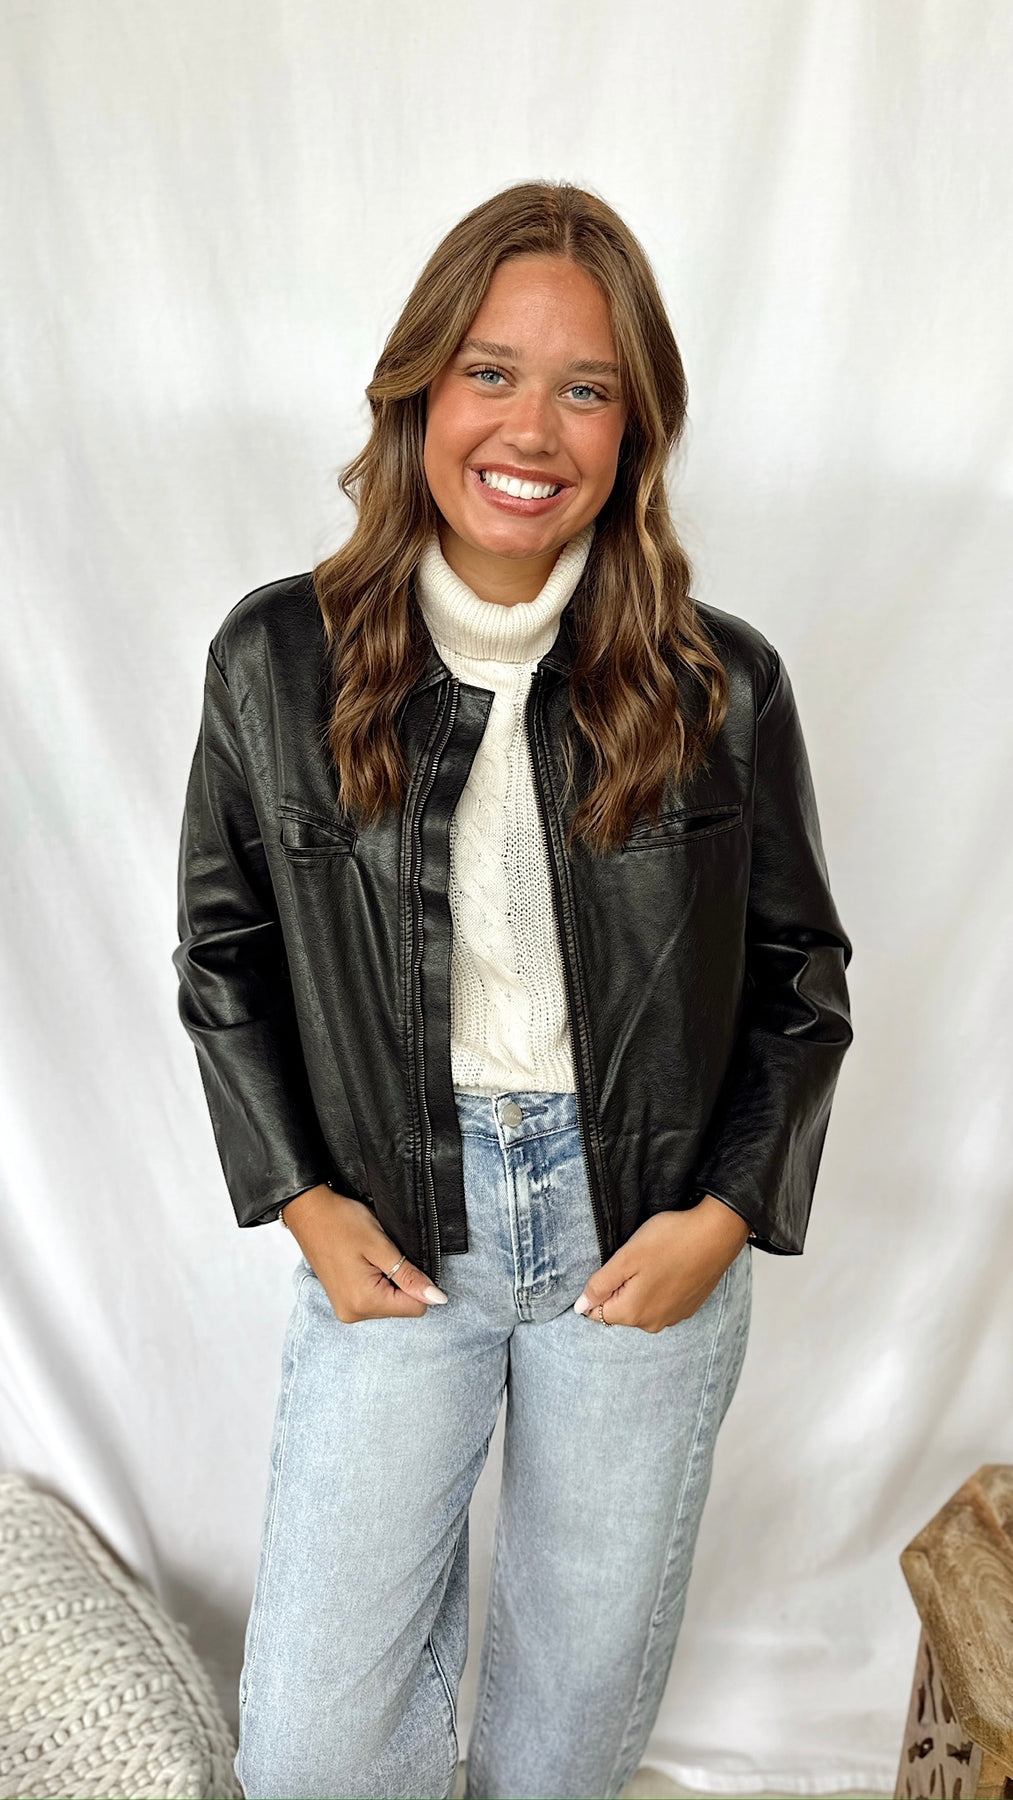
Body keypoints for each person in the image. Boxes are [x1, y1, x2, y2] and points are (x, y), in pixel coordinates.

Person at [173, 180, 853, 1800]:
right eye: (490, 371)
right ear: (421, 387)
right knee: (314, 1750)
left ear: (634, 430)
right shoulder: (277, 661)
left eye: (584, 388)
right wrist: (300, 1199)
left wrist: (724, 1215)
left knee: (561, 1748)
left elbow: (799, 977)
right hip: (396, 1223)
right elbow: (223, 952)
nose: (530, 429)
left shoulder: (715, 682)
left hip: (641, 1238)